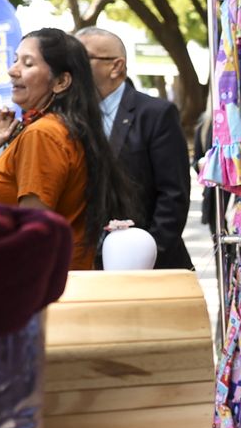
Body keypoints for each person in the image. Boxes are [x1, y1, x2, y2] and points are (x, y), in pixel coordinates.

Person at [0, 28, 133, 271]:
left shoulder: (43, 134)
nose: (12, 70)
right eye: (16, 60)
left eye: (28, 63)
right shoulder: (58, 128)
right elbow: (2, 207)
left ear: (61, 82)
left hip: (40, 280)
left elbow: (34, 232)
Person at [74, 27, 192, 270]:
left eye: (82, 58)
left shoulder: (156, 114)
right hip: (85, 266)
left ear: (116, 66)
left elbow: (173, 195)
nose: (72, 67)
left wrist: (147, 255)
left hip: (146, 265)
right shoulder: (70, 117)